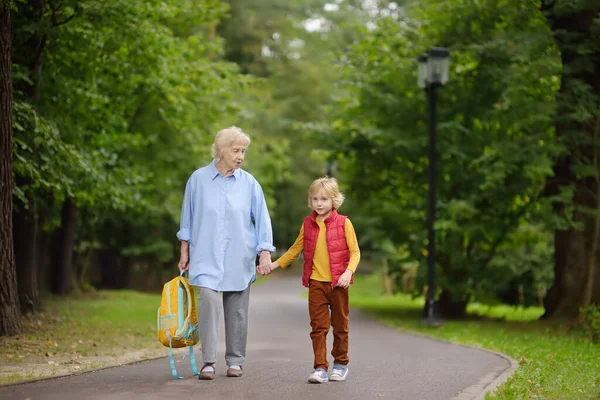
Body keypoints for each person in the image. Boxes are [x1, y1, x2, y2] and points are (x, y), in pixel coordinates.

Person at [176, 126, 275, 380]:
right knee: (208, 300)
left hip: (239, 255)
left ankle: (235, 360)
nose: (241, 156)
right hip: (205, 254)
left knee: (238, 310)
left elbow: (262, 219)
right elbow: (187, 218)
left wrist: (265, 252)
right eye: (236, 151)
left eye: (243, 151)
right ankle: (208, 361)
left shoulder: (249, 183)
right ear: (221, 151)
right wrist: (184, 250)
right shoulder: (197, 180)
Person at [260, 176, 360, 383]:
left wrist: (348, 272)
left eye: (324, 199)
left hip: (338, 285)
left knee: (340, 326)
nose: (319, 203)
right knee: (318, 328)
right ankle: (320, 368)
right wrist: (274, 265)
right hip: (316, 284)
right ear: (310, 201)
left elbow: (355, 252)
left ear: (334, 200)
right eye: (315, 199)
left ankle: (340, 364)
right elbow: (295, 250)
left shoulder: (344, 223)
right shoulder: (308, 224)